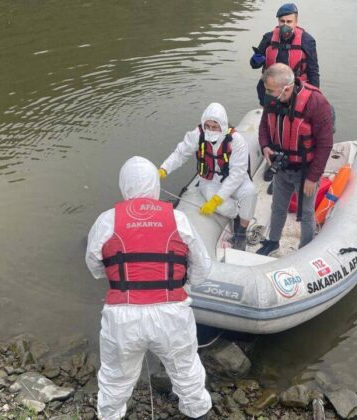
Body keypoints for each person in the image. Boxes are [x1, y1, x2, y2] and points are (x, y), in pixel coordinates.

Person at [85, 156, 212, 420]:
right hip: (172, 312)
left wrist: (118, 280)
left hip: (123, 317)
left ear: (124, 185)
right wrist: (182, 284)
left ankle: (109, 416)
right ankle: (198, 413)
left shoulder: (106, 221)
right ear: (155, 184)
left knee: (114, 377)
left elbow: (94, 266)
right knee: (186, 371)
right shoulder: (178, 219)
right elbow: (202, 266)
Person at [256, 63, 333, 256]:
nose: (267, 95)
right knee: (277, 207)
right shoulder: (273, 100)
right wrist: (265, 145)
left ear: (287, 88)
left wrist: (313, 178)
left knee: (306, 213)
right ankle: (272, 242)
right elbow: (264, 126)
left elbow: (325, 144)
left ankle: (305, 249)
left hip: (305, 171)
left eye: (270, 90)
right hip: (281, 167)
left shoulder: (316, 102)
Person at [158, 103, 257, 250]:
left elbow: (237, 173)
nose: (210, 130)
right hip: (209, 180)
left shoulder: (236, 141)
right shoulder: (197, 135)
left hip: (234, 179)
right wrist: (164, 169)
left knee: (250, 192)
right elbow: (180, 154)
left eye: (215, 127)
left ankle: (241, 233)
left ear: (222, 125)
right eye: (208, 126)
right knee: (220, 206)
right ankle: (237, 215)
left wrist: (220, 197)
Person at [250, 3, 320, 106]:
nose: (285, 25)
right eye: (282, 21)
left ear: (296, 22)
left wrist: (316, 96)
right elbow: (253, 65)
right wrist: (256, 60)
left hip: (296, 89)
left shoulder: (307, 41)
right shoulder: (268, 38)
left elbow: (313, 71)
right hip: (271, 89)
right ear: (278, 21)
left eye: (289, 21)